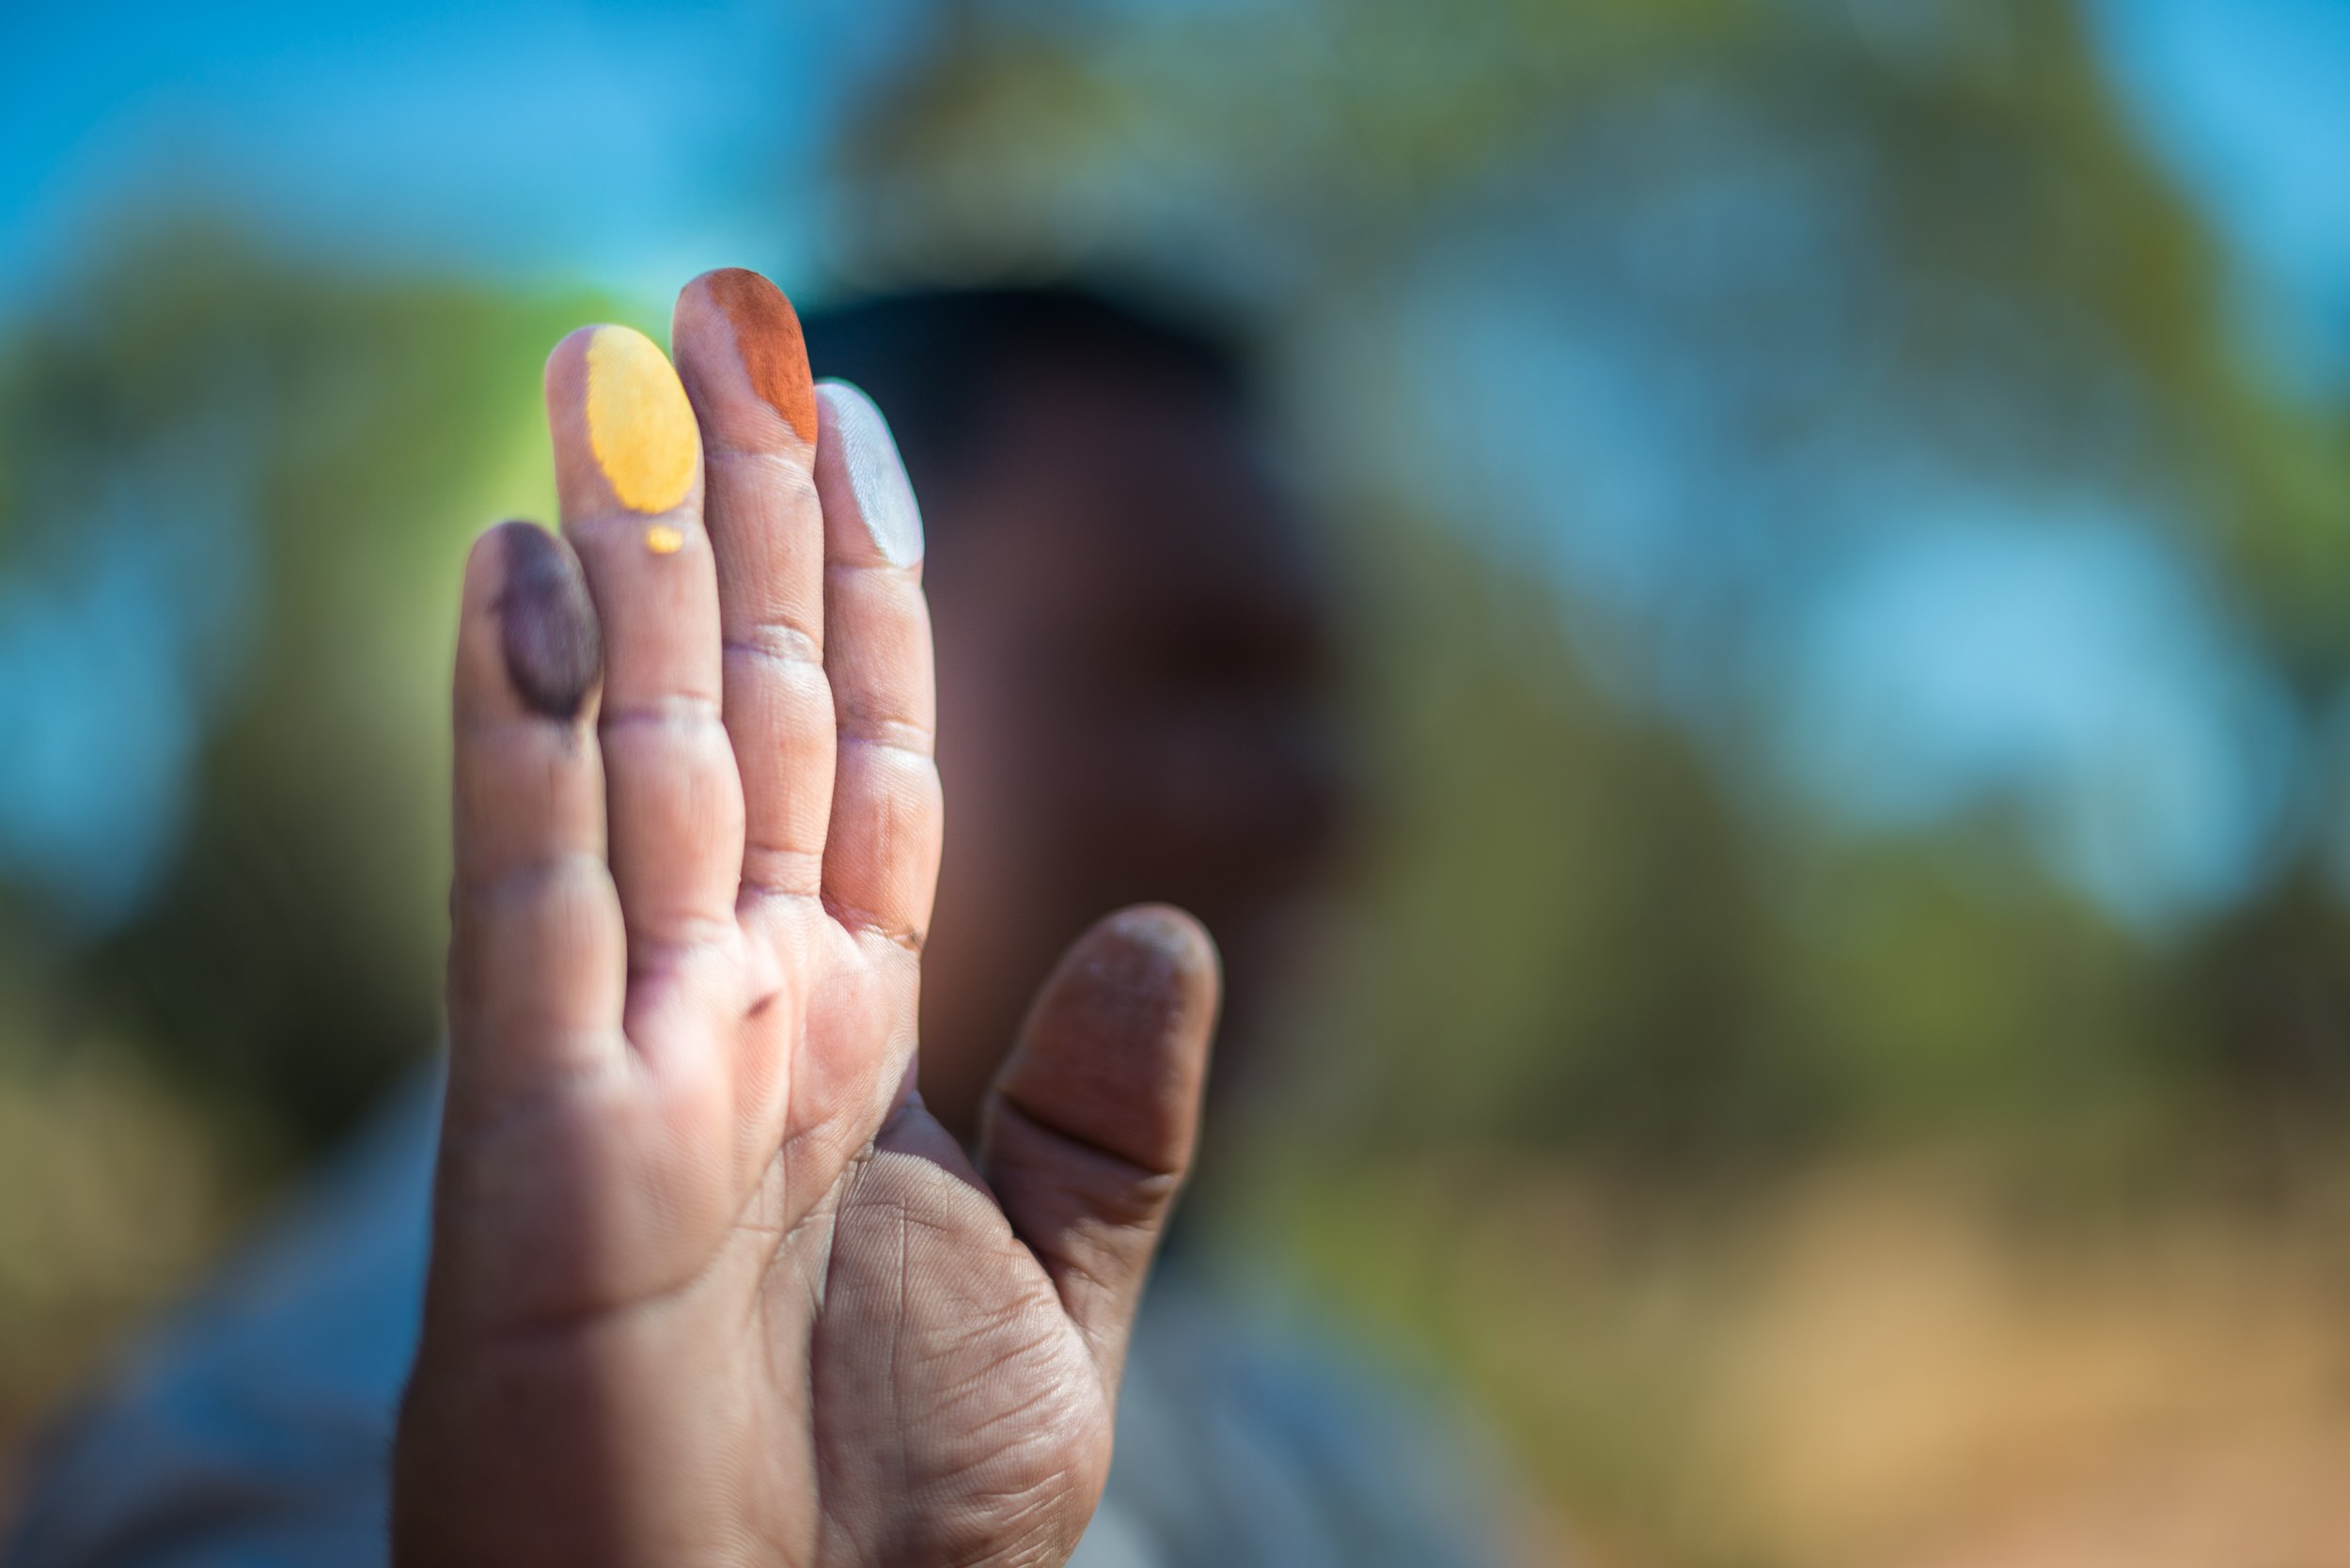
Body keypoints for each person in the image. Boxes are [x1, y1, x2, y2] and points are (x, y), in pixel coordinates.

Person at [3, 274, 1512, 1567]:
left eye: (1319, 698)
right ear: (796, 663)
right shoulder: (319, 1448)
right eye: (1185, 669)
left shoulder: (1325, 1423)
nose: (1325, 799)